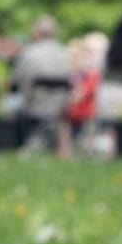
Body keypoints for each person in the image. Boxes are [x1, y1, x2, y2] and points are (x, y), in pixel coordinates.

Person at [9, 15, 72, 155]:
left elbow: (17, 81)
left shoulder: (29, 53)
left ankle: (22, 146)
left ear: (36, 33)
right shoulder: (65, 53)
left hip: (34, 106)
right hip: (59, 109)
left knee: (12, 103)